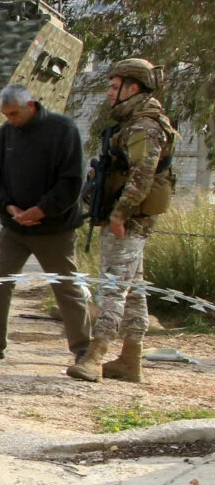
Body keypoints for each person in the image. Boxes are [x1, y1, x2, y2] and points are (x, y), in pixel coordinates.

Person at [67, 58, 178, 384]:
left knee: (113, 288)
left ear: (133, 88)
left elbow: (142, 175)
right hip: (129, 220)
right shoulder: (137, 123)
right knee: (134, 290)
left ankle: (95, 356)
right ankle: (131, 359)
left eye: (115, 87)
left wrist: (119, 214)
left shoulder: (144, 126)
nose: (109, 93)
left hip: (127, 222)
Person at [0, 84, 91, 363]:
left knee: (66, 287)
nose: (11, 119)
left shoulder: (63, 129)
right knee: (0, 283)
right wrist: (9, 207)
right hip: (16, 226)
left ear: (31, 105)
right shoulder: (7, 133)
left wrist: (41, 210)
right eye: (6, 114)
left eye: (15, 113)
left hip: (55, 227)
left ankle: (82, 349)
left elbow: (71, 182)